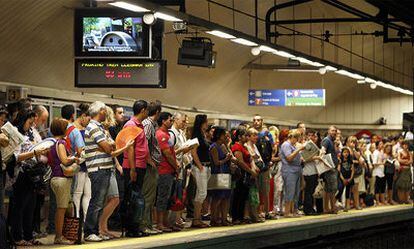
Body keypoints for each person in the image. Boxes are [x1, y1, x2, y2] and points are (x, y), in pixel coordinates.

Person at [84, 102, 132, 242]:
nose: (107, 113)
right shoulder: (93, 127)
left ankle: (98, 230)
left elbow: (112, 146)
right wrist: (113, 146)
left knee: (107, 200)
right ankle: (89, 231)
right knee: (97, 202)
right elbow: (108, 148)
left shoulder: (101, 128)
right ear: (100, 111)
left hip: (107, 167)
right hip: (98, 168)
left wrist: (111, 146)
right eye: (105, 111)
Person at [9, 110, 49, 246]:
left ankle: (28, 235)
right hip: (20, 174)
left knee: (30, 207)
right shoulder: (15, 133)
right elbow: (15, 157)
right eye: (29, 122)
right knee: (19, 207)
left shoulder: (31, 133)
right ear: (22, 120)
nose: (31, 126)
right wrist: (34, 152)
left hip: (32, 174)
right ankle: (17, 237)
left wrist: (41, 152)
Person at [122, 100, 153, 237]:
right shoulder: (130, 125)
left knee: (137, 197)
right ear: (142, 111)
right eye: (147, 110)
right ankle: (131, 229)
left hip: (140, 166)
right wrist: (133, 169)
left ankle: (136, 226)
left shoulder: (139, 125)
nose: (148, 113)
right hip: (133, 167)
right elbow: (130, 148)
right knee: (134, 198)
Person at [49, 118, 79, 245]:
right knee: (61, 209)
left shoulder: (52, 143)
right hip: (61, 178)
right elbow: (64, 161)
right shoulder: (60, 143)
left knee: (66, 207)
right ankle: (59, 237)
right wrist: (75, 158)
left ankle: (66, 234)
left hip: (56, 178)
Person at [155, 112, 180, 232]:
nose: (171, 122)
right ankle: (159, 223)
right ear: (163, 121)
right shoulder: (161, 135)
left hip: (169, 170)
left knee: (167, 198)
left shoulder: (166, 134)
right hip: (164, 170)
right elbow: (167, 154)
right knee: (162, 197)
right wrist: (176, 166)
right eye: (170, 120)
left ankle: (164, 222)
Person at [141, 101, 163, 235]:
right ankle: (144, 225)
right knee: (147, 197)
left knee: (150, 197)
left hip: (151, 165)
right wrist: (149, 160)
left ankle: (148, 224)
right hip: (149, 166)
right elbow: (144, 143)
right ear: (158, 112)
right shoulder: (148, 124)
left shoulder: (151, 124)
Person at [168, 112, 193, 228]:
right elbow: (169, 152)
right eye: (183, 121)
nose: (185, 123)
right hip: (173, 167)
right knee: (172, 195)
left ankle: (175, 219)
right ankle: (169, 221)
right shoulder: (171, 133)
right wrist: (182, 149)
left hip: (181, 166)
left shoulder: (180, 133)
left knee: (179, 195)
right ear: (176, 120)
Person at [231, 128, 258, 224]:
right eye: (245, 135)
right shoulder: (237, 146)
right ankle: (236, 217)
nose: (247, 137)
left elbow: (250, 159)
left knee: (244, 196)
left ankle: (241, 217)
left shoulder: (245, 147)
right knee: (238, 196)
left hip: (247, 174)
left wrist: (253, 169)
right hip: (241, 174)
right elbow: (240, 162)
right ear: (239, 137)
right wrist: (251, 171)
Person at [208, 127, 233, 226]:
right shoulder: (214, 147)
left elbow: (229, 155)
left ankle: (223, 218)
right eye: (224, 135)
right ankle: (213, 219)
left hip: (225, 173)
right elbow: (216, 162)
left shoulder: (222, 145)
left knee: (226, 198)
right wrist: (226, 159)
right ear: (219, 135)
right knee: (217, 198)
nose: (225, 137)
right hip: (218, 174)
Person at [190, 114, 211, 228]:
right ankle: (196, 219)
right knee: (202, 193)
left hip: (205, 166)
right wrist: (200, 166)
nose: (207, 123)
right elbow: (193, 152)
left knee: (201, 193)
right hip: (200, 167)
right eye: (206, 121)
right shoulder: (197, 135)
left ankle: (197, 218)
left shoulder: (203, 135)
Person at [31, 105, 49, 238]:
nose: (43, 123)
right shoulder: (30, 132)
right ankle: (32, 229)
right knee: (33, 203)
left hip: (40, 170)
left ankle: (36, 229)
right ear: (35, 117)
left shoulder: (37, 131)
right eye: (43, 120)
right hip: (33, 170)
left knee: (39, 203)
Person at [72, 103, 91, 220]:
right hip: (78, 163)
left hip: (87, 163)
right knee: (78, 193)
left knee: (88, 194)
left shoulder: (84, 129)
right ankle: (77, 220)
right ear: (83, 116)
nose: (88, 122)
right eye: (88, 119)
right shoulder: (74, 130)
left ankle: (85, 219)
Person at [280, 129, 305, 218]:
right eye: (297, 138)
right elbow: (289, 158)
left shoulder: (292, 145)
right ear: (292, 137)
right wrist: (298, 150)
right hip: (289, 170)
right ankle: (287, 212)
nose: (297, 141)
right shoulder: (286, 145)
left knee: (295, 192)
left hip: (296, 170)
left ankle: (292, 210)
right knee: (289, 191)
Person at [108, 104, 125, 230]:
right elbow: (112, 150)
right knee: (115, 196)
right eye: (119, 112)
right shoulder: (111, 129)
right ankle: (112, 222)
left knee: (120, 195)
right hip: (114, 165)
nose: (122, 115)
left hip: (121, 164)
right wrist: (117, 164)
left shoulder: (121, 128)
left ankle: (118, 221)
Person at [245, 128, 265, 222]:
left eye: (257, 135)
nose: (256, 137)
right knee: (250, 195)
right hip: (250, 172)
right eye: (254, 135)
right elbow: (250, 158)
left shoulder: (255, 146)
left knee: (256, 194)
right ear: (248, 136)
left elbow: (259, 158)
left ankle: (254, 214)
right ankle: (249, 215)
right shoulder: (246, 146)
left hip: (258, 171)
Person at [321, 126, 339, 214]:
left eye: (335, 131)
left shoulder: (332, 141)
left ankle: (326, 208)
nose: (334, 132)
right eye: (332, 130)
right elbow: (322, 152)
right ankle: (332, 207)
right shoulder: (326, 140)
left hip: (332, 167)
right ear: (328, 131)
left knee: (328, 189)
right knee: (333, 188)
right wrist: (327, 165)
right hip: (330, 168)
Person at [302, 129, 320, 215]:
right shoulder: (306, 145)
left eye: (312, 135)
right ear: (306, 136)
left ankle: (311, 208)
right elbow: (304, 159)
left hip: (314, 170)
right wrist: (316, 157)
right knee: (308, 191)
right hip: (308, 171)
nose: (311, 137)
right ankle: (307, 209)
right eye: (309, 135)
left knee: (312, 191)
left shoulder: (314, 145)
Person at [337, 147, 355, 212]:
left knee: (348, 192)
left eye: (347, 152)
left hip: (349, 177)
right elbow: (339, 171)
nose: (346, 154)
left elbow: (352, 170)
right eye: (344, 152)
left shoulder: (350, 160)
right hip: (342, 178)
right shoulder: (340, 160)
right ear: (342, 153)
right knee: (340, 190)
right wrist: (343, 179)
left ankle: (347, 206)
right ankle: (334, 204)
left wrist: (351, 178)